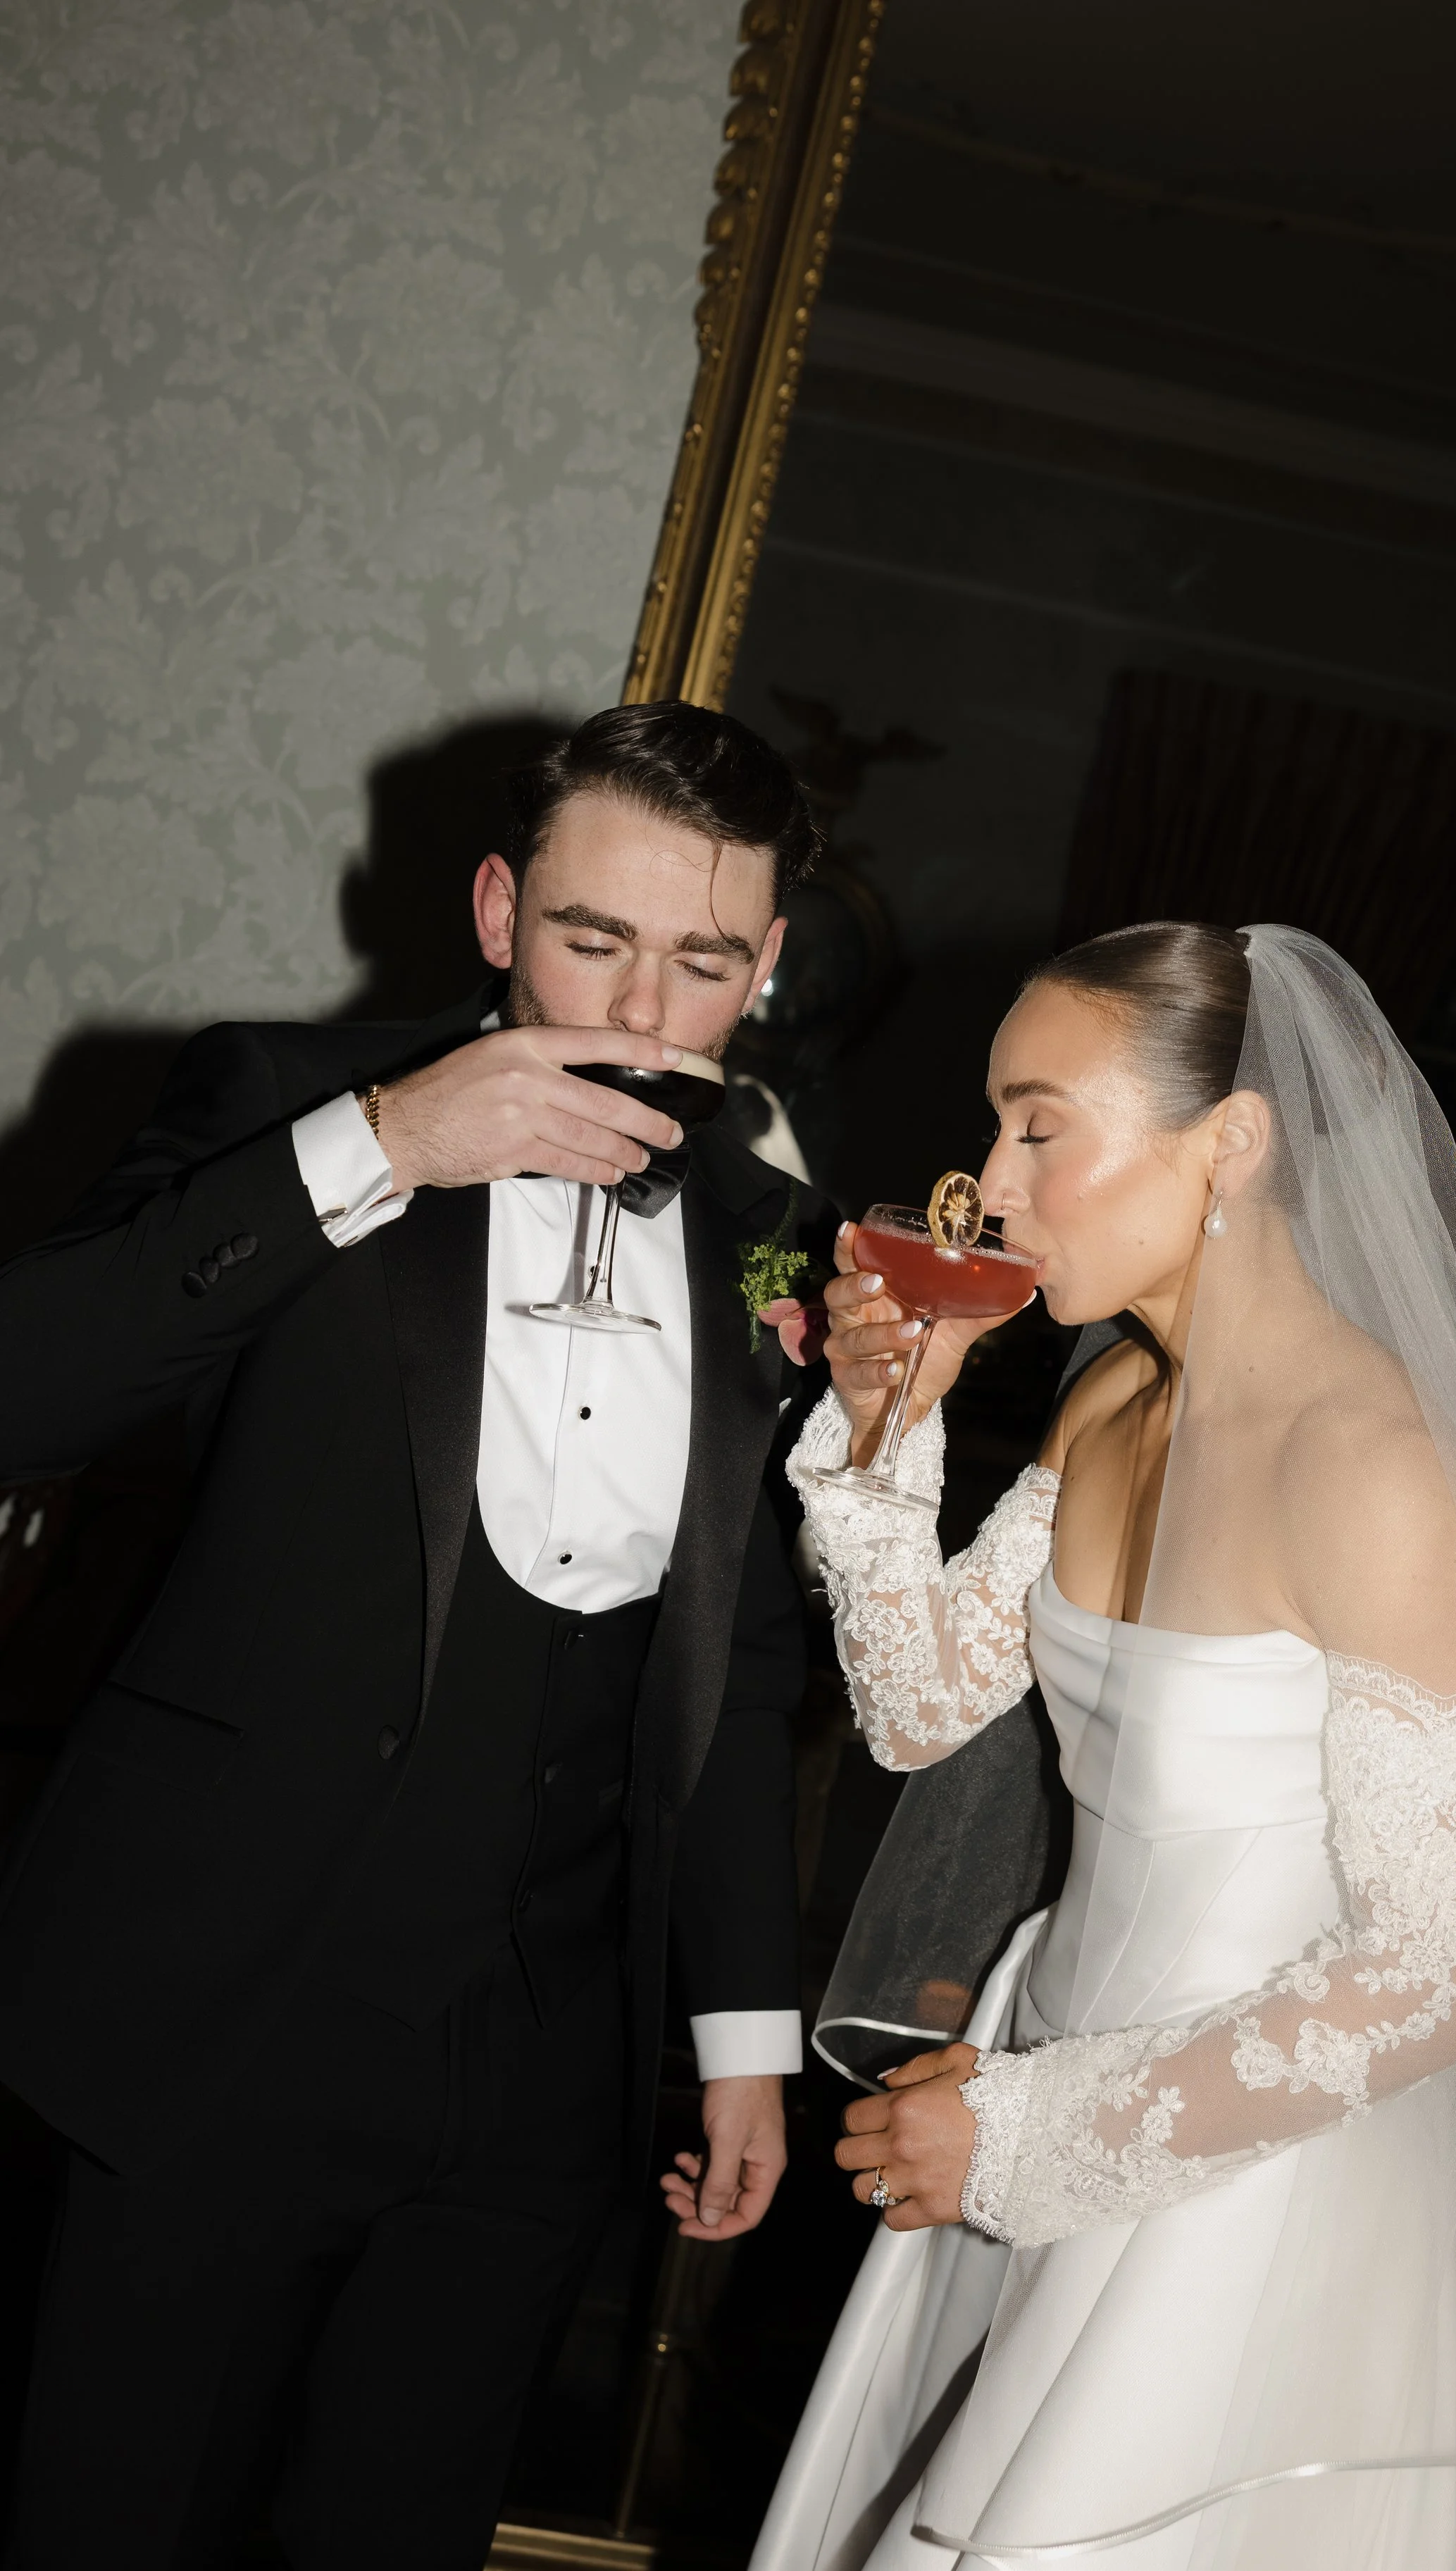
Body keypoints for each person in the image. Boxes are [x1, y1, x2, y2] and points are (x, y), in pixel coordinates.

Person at [754, 924, 1456, 2571]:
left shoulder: (1372, 1463)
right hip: (1029, 2082)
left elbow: (1439, 1970)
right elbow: (916, 1706)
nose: (990, 1182)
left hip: (1242, 2191)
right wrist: (887, 1421)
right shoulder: (1105, 1407)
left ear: (1232, 1139)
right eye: (995, 1125)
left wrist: (1032, 2137)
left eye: (1040, 1127)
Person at [0, 702, 837, 2571]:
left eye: (705, 962)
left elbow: (739, 1661)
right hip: (223, 2008)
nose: (642, 1014)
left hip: (539, 2073)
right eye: (592, 939)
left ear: (769, 962)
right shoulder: (280, 1098)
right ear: (494, 911)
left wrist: (740, 2031)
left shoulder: (778, 1231)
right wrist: (380, 1146)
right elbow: (25, 1391)